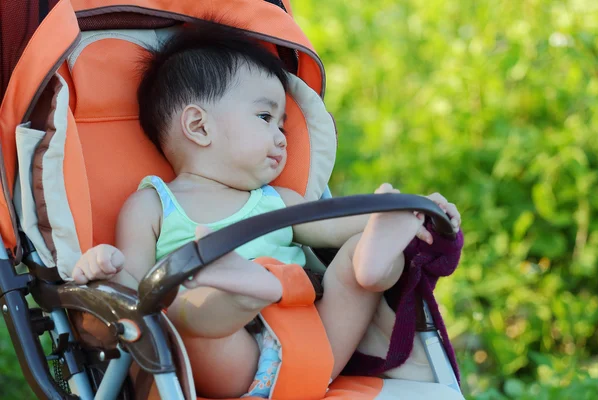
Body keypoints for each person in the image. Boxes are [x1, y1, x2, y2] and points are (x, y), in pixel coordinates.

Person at [72, 22, 462, 398]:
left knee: (358, 249)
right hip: (228, 362)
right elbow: (136, 293)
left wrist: (397, 214)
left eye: (283, 126)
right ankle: (238, 290)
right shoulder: (152, 205)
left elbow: (334, 227)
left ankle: (371, 267)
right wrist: (103, 266)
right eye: (265, 117)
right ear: (199, 127)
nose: (281, 137)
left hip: (314, 347)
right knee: (177, 309)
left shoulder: (277, 200)